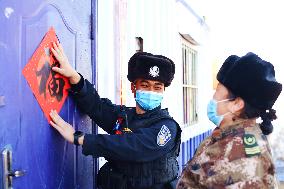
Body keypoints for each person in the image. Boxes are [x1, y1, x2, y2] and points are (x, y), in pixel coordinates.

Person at [49, 42, 181, 189]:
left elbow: (133, 147)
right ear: (133, 87)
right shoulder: (124, 117)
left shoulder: (167, 127)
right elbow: (97, 106)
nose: (151, 91)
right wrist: (74, 77)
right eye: (145, 85)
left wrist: (79, 138)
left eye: (157, 87)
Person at [177, 52, 282, 189]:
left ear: (236, 104)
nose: (213, 99)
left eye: (217, 93)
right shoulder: (230, 135)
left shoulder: (241, 157)